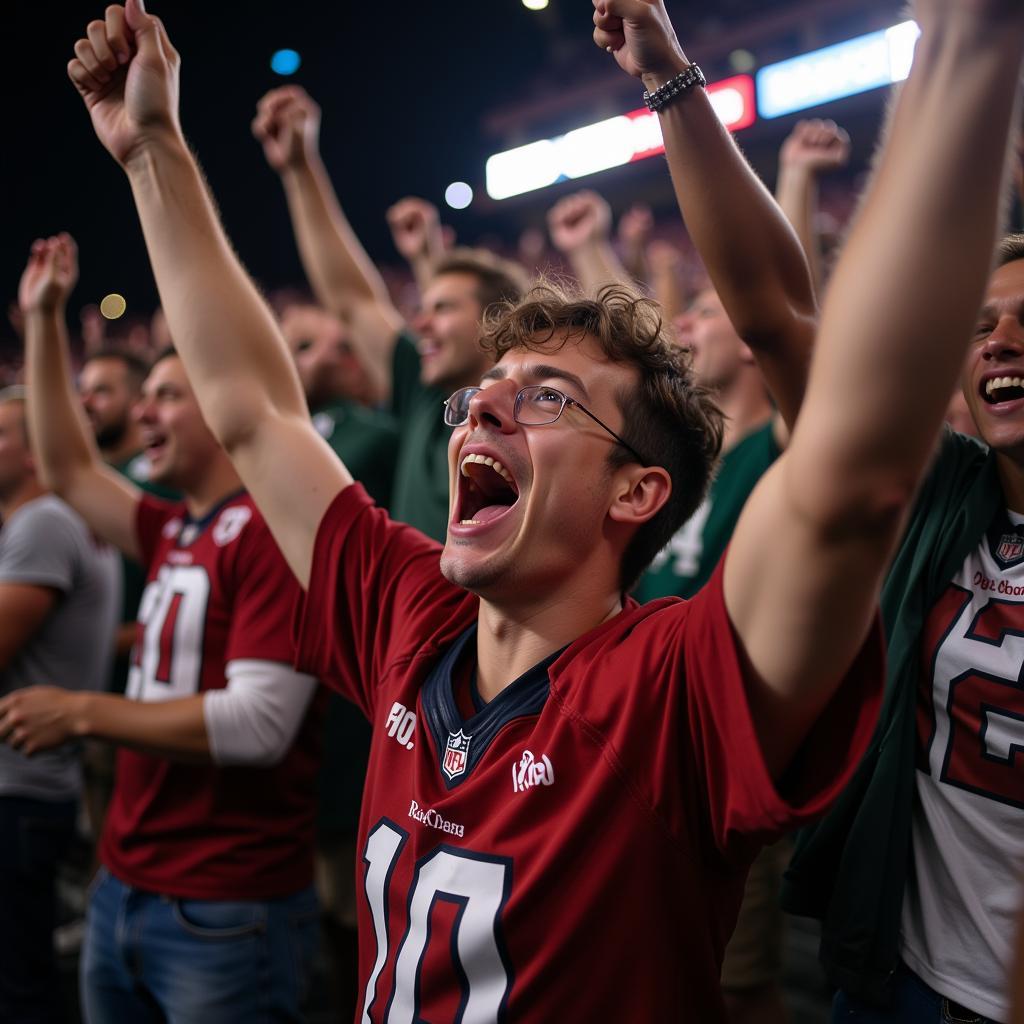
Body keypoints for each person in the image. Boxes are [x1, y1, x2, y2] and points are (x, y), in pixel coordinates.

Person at [58, 2, 1023, 1021]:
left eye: (548, 396)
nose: (485, 402)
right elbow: (252, 414)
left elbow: (851, 474)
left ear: (636, 491)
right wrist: (152, 149)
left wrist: (970, 39)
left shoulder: (671, 688)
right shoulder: (409, 610)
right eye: (488, 388)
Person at [0, 232, 326, 1023]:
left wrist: (81, 711)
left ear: (226, 414)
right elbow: (73, 470)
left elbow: (257, 725)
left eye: (170, 396)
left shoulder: (271, 532)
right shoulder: (176, 525)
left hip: (224, 901)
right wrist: (42, 322)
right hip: (126, 880)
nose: (145, 409)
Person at [252, 83, 529, 540]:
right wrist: (300, 168)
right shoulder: (424, 397)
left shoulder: (532, 423)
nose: (419, 323)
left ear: (495, 321)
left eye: (441, 308)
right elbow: (350, 299)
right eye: (422, 308)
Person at [0, 381, 119, 1024]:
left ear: (33, 453)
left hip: (18, 785)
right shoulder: (49, 520)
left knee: (18, 987)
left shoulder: (43, 520)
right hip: (34, 782)